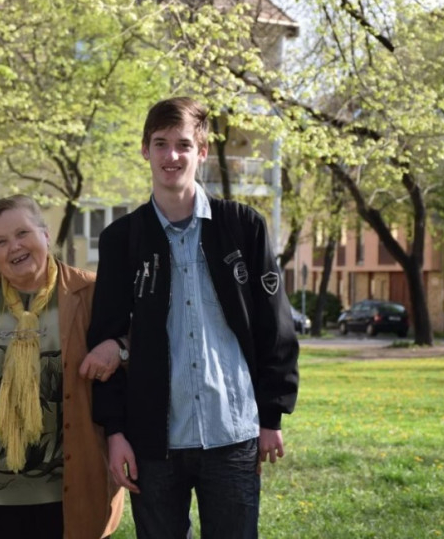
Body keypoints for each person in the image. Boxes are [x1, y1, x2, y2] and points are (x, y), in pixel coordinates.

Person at [79, 97, 300, 538]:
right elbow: (104, 342)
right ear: (145, 150)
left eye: (183, 145)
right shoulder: (122, 239)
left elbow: (274, 327)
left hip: (232, 433)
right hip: (153, 442)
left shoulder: (243, 226)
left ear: (201, 151)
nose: (172, 156)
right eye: (161, 144)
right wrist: (115, 432)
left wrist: (271, 416)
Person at [0, 195, 123, 539]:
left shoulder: (91, 292)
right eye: (0, 241)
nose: (14, 246)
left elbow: (137, 343)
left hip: (71, 493)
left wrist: (119, 347)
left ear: (45, 234)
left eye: (22, 233)